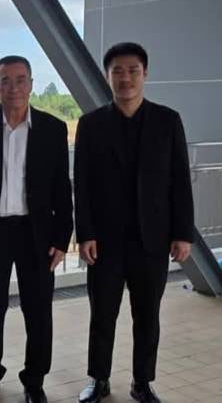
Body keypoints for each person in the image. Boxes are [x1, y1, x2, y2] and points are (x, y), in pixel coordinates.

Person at [75, 42, 194, 403]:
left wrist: (182, 233)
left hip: (152, 239)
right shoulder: (91, 124)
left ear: (145, 74)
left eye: (133, 71)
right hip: (105, 241)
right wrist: (85, 234)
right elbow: (82, 184)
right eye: (117, 71)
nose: (125, 78)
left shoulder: (167, 121)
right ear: (107, 76)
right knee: (102, 315)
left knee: (147, 316)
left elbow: (180, 180)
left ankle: (142, 382)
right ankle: (99, 379)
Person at [0, 56, 73, 403]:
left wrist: (62, 238)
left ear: (31, 84)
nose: (13, 87)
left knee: (39, 310)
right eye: (5, 80)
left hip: (36, 234)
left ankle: (34, 380)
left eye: (20, 79)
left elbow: (62, 188)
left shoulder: (53, 128)